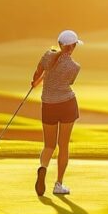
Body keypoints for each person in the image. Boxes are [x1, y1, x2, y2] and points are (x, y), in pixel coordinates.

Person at [31, 29, 83, 197]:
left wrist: (35, 81)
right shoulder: (74, 67)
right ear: (73, 46)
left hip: (48, 105)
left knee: (49, 145)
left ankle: (43, 168)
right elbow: (66, 82)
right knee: (63, 145)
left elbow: (39, 73)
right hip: (67, 104)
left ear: (60, 43)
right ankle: (58, 184)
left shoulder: (47, 55)